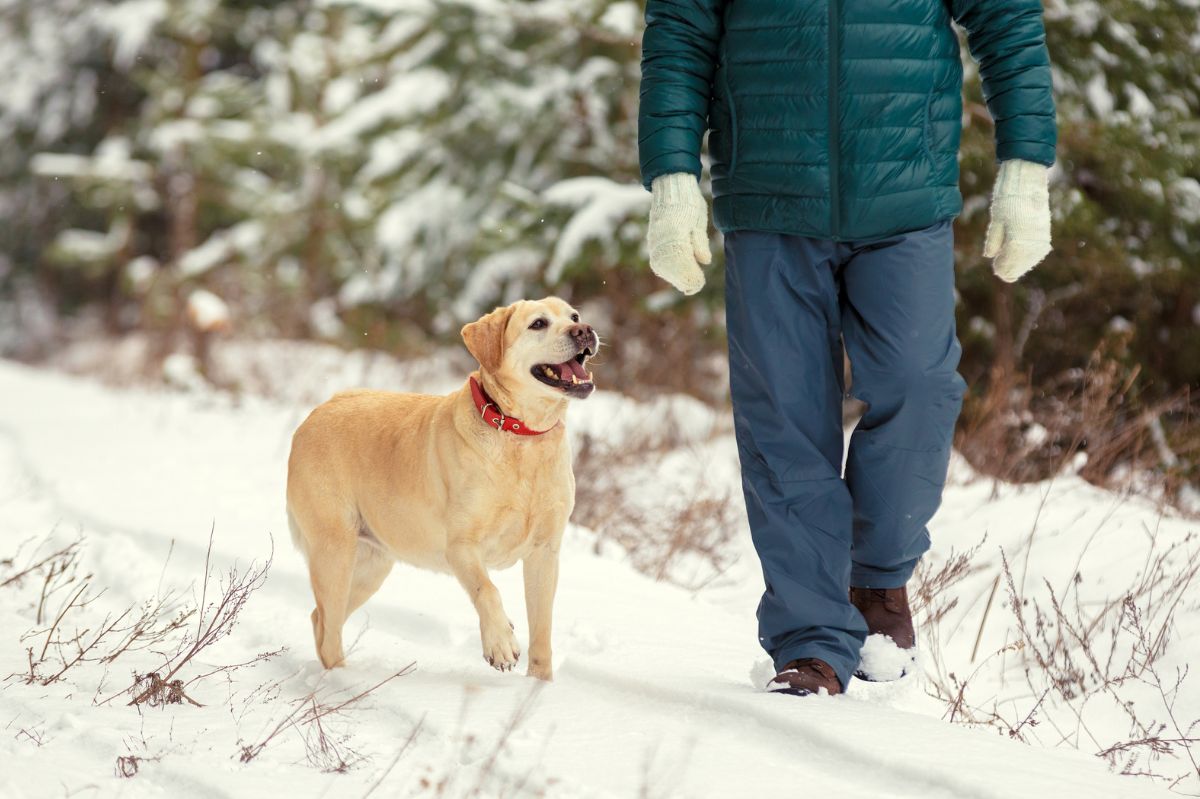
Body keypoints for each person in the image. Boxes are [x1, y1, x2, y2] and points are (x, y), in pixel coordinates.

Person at [638, 0, 1055, 696]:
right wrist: (673, 177)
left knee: (919, 383)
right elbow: (679, 29)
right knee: (785, 418)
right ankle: (810, 639)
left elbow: (1006, 17)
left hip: (904, 187)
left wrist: (1025, 165)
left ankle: (879, 576)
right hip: (770, 190)